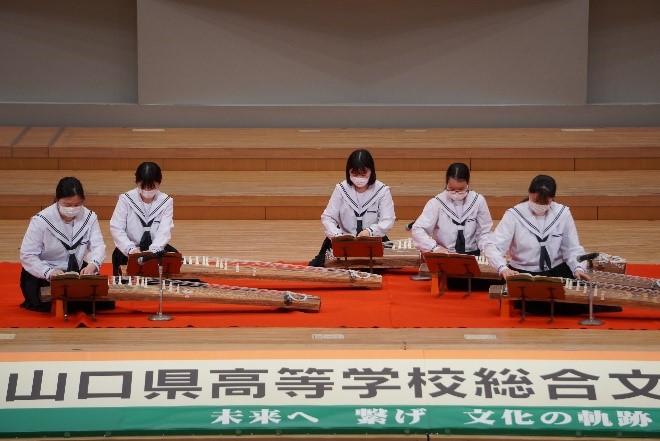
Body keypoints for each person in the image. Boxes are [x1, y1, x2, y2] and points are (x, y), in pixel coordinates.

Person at [483, 174, 621, 315]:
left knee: (578, 299)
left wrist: (577, 268)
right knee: (540, 305)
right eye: (536, 200)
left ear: (553, 198)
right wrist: (503, 268)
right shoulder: (514, 215)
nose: (540, 205)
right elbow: (493, 246)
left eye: (545, 202)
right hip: (523, 271)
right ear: (529, 193)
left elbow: (572, 247)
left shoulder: (562, 213)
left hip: (555, 270)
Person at [19, 176, 109, 312]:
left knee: (103, 302)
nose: (72, 208)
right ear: (57, 199)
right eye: (67, 204)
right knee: (59, 303)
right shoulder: (41, 220)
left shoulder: (89, 217)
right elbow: (27, 255)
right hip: (46, 273)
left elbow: (98, 246)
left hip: (75, 271)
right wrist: (48, 272)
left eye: (77, 204)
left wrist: (93, 264)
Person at [411, 162, 494, 290]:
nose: (456, 192)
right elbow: (418, 229)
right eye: (451, 188)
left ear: (468, 183)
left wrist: (487, 250)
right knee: (457, 282)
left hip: (472, 256)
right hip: (447, 255)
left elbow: (484, 232)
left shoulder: (478, 201)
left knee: (497, 279)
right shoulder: (436, 203)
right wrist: (434, 248)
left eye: (461, 189)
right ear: (446, 183)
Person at [308, 149, 396, 267]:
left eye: (363, 174)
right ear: (348, 172)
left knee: (379, 268)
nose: (359, 178)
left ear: (371, 171)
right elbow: (328, 217)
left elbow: (387, 220)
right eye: (354, 174)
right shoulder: (341, 189)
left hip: (372, 240)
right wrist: (337, 235)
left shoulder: (382, 191)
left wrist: (369, 232)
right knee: (327, 267)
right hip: (343, 241)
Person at [110, 162, 177, 276]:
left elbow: (164, 230)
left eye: (151, 187)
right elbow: (116, 228)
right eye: (143, 186)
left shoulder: (166, 201)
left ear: (159, 182)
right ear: (137, 182)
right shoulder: (126, 199)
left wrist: (153, 251)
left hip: (155, 249)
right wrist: (130, 249)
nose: (147, 190)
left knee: (174, 260)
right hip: (131, 249)